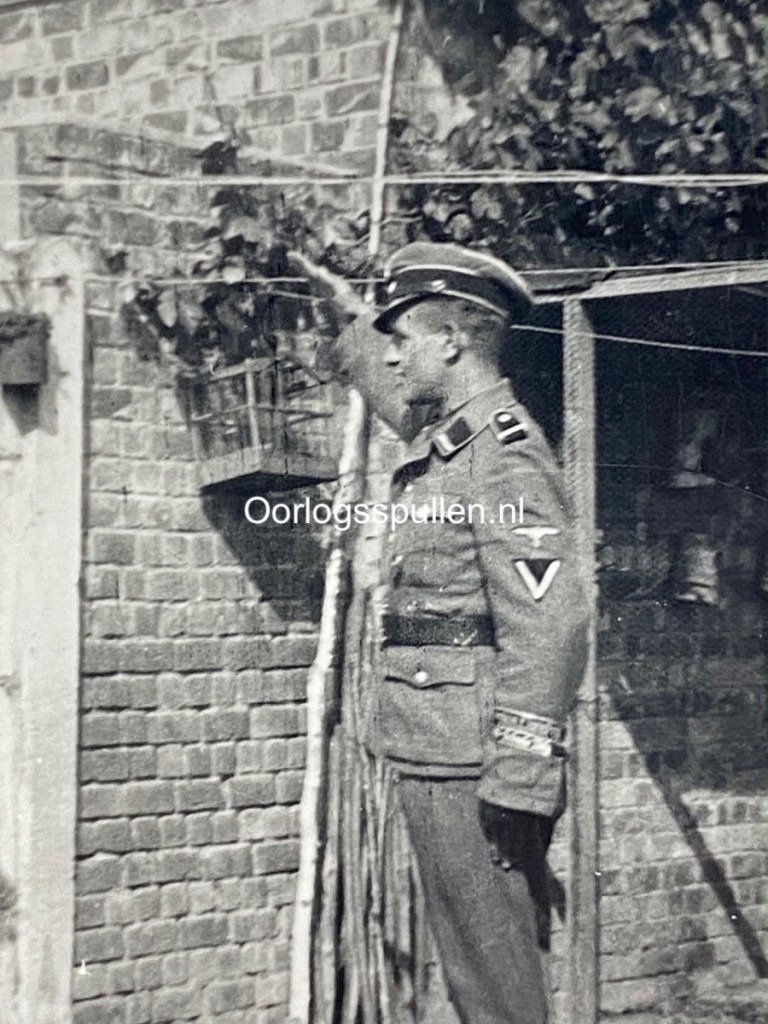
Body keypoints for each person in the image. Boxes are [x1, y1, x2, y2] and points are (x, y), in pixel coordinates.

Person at [335, 242, 589, 1024]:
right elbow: (382, 380)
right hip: (435, 744)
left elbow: (551, 617)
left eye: (404, 337)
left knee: (498, 990)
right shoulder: (450, 444)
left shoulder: (505, 455)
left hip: (475, 761)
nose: (394, 356)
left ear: (451, 340)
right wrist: (341, 317)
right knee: (478, 978)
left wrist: (519, 776)